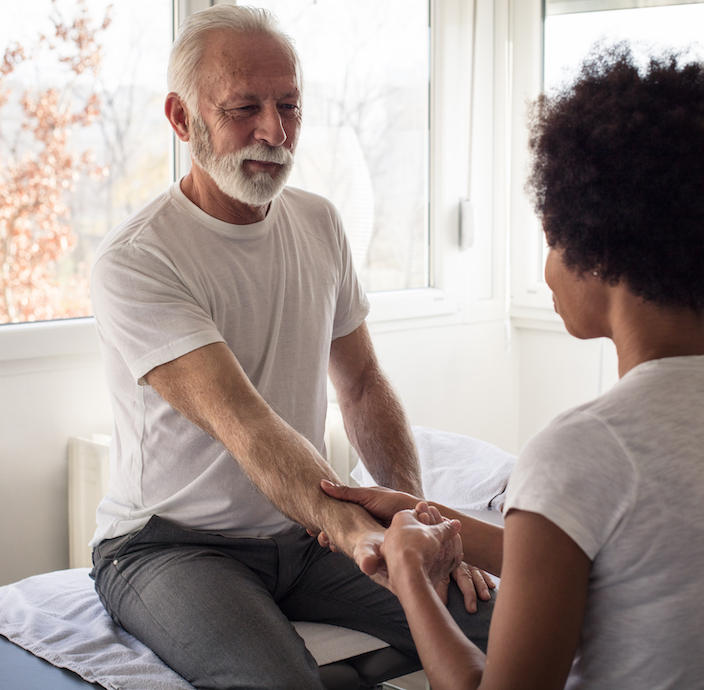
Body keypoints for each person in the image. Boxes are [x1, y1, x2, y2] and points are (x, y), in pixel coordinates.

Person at [322, 48, 704, 690]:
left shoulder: (580, 450)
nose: (547, 269)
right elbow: (605, 556)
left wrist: (411, 576)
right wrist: (420, 511)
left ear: (597, 241)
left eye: (551, 239)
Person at [87, 6, 493, 689]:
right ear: (183, 120)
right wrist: (358, 532)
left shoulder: (319, 222)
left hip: (303, 537)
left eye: (289, 106)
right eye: (245, 107)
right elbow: (243, 425)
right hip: (170, 547)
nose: (274, 131)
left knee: (512, 622)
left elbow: (360, 383)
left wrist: (420, 528)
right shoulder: (139, 259)